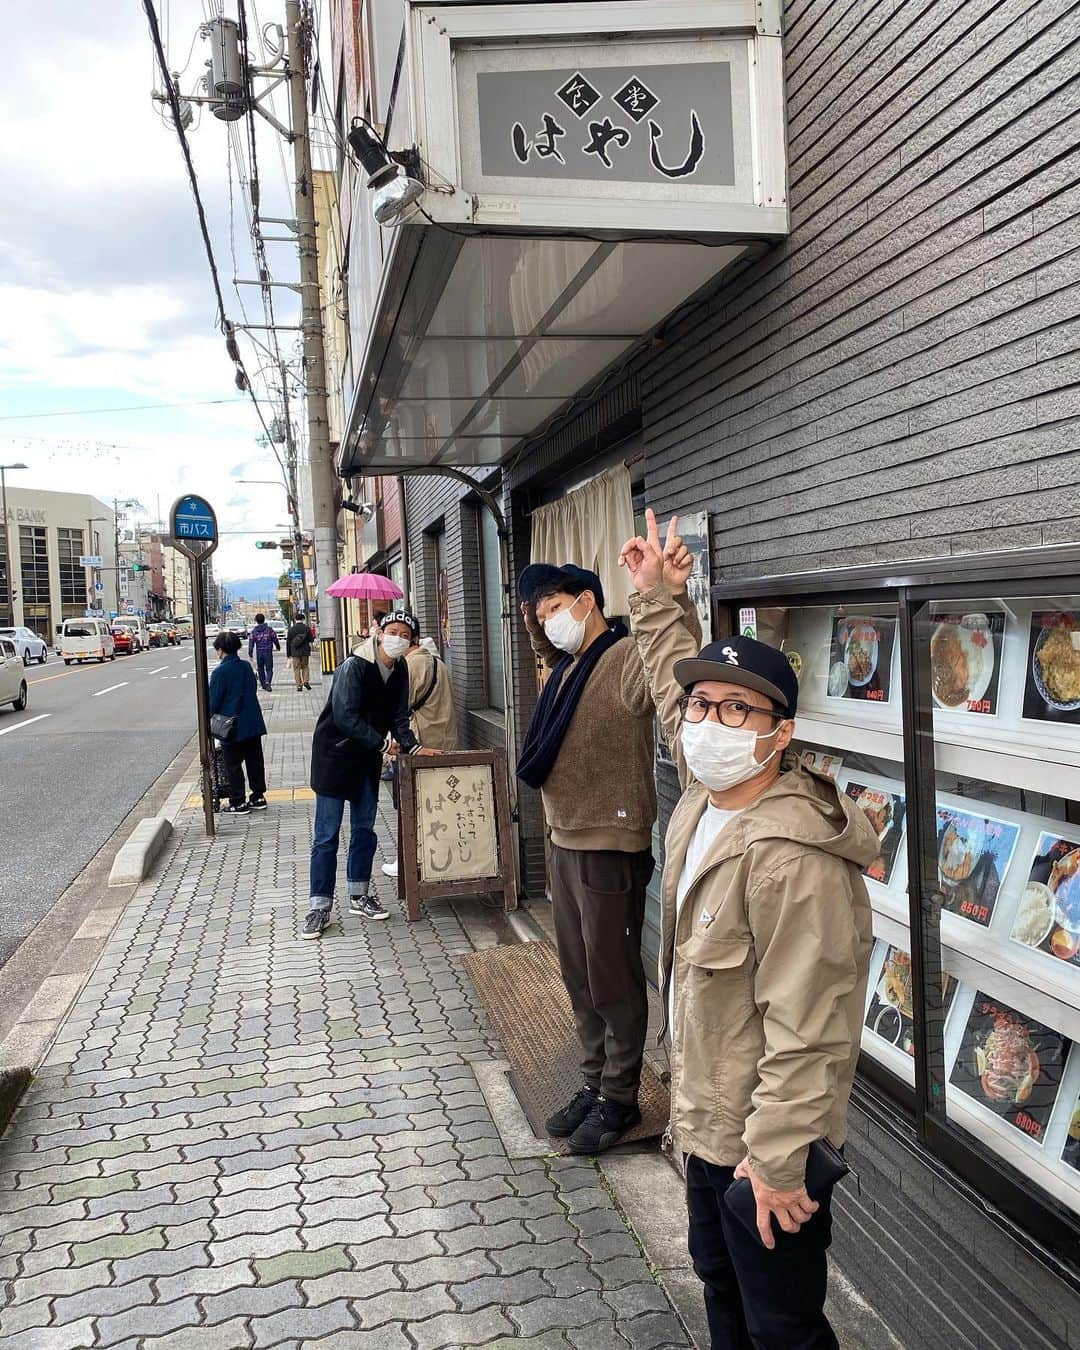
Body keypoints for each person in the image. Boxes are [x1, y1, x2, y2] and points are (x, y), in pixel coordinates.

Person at [620, 509, 878, 1350]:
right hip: (704, 1118)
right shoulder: (703, 795)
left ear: (781, 733)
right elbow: (669, 685)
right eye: (705, 705)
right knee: (720, 1290)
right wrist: (660, 597)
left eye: (737, 710)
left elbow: (814, 1026)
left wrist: (772, 1162)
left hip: (765, 1143)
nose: (708, 721)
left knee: (785, 1330)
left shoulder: (794, 852)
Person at [517, 560, 700, 1155]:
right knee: (578, 974)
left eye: (554, 608)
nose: (548, 622)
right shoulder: (565, 667)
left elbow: (674, 674)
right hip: (564, 837)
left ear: (588, 601)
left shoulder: (622, 657)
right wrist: (533, 624)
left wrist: (670, 598)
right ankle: (594, 1081)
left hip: (609, 841)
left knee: (612, 976)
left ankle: (620, 1096)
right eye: (539, 614)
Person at [304, 613, 434, 939]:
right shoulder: (354, 665)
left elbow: (399, 716)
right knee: (326, 835)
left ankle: (359, 895)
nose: (398, 638)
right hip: (335, 756)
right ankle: (319, 907)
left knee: (364, 829)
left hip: (367, 760)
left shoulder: (401, 668)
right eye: (392, 631)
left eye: (405, 634)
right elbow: (345, 716)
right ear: (378, 632)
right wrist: (383, 743)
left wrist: (412, 748)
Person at [379, 611, 458, 879]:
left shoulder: (410, 667)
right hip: (444, 741)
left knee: (413, 805)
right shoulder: (437, 662)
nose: (395, 642)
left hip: (420, 745)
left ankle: (408, 862)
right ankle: (440, 862)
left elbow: (397, 708)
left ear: (410, 640)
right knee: (437, 806)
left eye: (401, 636)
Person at [209, 630, 268, 815]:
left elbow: (213, 702)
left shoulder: (220, 672)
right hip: (252, 721)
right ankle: (258, 796)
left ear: (220, 650)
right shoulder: (245, 667)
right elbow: (252, 688)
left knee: (233, 764)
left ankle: (238, 801)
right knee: (255, 761)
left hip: (231, 726)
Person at [248, 613, 280, 691]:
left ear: (256, 621)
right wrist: (278, 647)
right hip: (268, 651)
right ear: (264, 620)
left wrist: (250, 652)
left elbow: (251, 642)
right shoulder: (269, 629)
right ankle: (268, 682)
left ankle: (263, 685)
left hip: (259, 652)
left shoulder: (254, 631)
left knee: (260, 669)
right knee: (269, 669)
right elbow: (275, 638)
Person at [287, 615, 315, 691]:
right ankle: (306, 681)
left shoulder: (291, 629)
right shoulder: (306, 628)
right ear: (303, 619)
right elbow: (311, 640)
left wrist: (288, 654)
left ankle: (299, 686)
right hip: (305, 651)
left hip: (295, 652)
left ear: (295, 619)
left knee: (296, 669)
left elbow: (288, 642)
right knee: (305, 666)